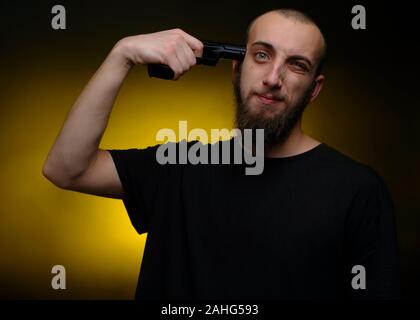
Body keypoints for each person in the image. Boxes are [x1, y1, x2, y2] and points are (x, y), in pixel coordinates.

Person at [42, 9, 400, 299]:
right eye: (261, 55)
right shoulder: (179, 168)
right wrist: (121, 55)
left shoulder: (357, 190)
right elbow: (66, 169)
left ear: (314, 90)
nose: (273, 77)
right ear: (236, 67)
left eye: (296, 65)